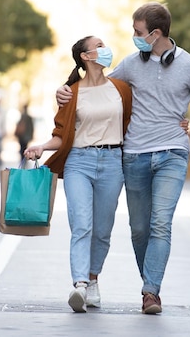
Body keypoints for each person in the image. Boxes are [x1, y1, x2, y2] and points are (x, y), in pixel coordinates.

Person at [56, 2, 190, 314]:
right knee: (139, 229)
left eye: (138, 32)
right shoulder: (130, 64)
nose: (133, 36)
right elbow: (99, 86)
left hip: (172, 154)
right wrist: (65, 91)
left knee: (160, 224)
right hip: (135, 156)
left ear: (155, 34)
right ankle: (149, 281)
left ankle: (150, 292)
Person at [24, 36, 132, 313]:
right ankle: (80, 285)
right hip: (79, 163)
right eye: (99, 45)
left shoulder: (121, 89)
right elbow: (61, 135)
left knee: (103, 230)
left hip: (112, 162)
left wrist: (177, 123)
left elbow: (138, 122)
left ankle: (94, 279)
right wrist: (41, 147)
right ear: (85, 56)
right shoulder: (71, 93)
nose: (105, 49)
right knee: (81, 224)